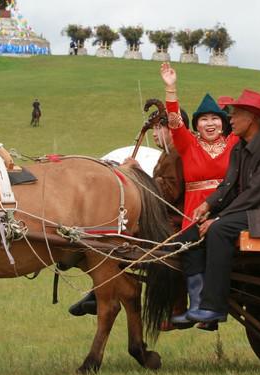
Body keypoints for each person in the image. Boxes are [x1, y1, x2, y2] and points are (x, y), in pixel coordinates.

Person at [160, 63, 260, 327]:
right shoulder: (188, 144)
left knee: (212, 237)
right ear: (197, 124)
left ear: (225, 122)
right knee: (189, 241)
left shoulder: (234, 143)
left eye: (216, 118)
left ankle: (208, 310)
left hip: (230, 206)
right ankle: (198, 305)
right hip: (196, 207)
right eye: (204, 119)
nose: (210, 123)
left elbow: (256, 121)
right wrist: (171, 88)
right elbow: (174, 122)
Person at [69, 109, 190, 318]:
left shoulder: (176, 153)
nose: (154, 133)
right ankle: (100, 290)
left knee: (119, 241)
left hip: (173, 219)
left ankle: (102, 290)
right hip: (167, 215)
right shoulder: (168, 153)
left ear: (174, 129)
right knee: (116, 239)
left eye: (159, 128)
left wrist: (138, 172)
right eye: (153, 128)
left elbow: (170, 193)